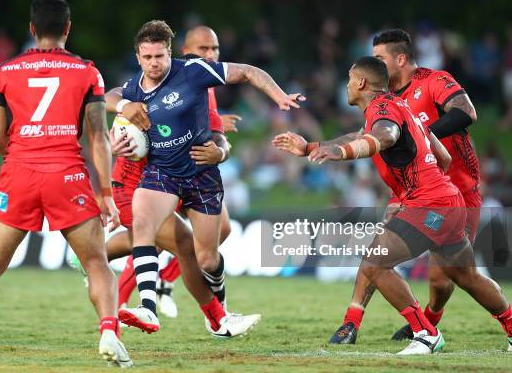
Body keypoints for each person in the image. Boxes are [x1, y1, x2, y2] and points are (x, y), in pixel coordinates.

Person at [0, 0, 132, 367]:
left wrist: (22, 156)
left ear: (32, 29)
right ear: (68, 28)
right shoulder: (88, 72)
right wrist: (105, 193)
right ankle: (108, 333)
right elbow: (98, 136)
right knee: (97, 262)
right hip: (67, 175)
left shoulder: (4, 71)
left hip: (18, 172)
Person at [273, 56, 512, 354]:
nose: (346, 86)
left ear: (360, 82)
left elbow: (385, 137)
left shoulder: (382, 110)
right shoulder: (402, 108)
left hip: (430, 203)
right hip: (447, 199)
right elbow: (443, 158)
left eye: (349, 80)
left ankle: (425, 333)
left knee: (375, 262)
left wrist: (342, 152)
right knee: (467, 276)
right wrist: (310, 147)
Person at [108, 19, 303, 335]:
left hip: (201, 176)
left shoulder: (194, 72)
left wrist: (278, 96)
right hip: (163, 174)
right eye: (147, 58)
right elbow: (109, 96)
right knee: (143, 224)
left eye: (159, 56)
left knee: (208, 258)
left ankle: (220, 311)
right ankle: (147, 307)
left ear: (171, 53)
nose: (154, 64)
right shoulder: (134, 89)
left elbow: (249, 72)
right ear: (138, 57)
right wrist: (125, 106)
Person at [328, 29, 482, 344]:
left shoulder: (434, 80)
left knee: (444, 278)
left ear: (400, 59)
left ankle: (428, 321)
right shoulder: (384, 98)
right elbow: (363, 136)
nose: (374, 62)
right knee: (376, 253)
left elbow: (466, 112)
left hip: (457, 192)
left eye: (380, 57)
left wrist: (417, 131)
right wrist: (318, 146)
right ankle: (351, 321)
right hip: (411, 192)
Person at [101, 25, 238, 317]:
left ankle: (107, 266)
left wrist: (221, 150)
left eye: (215, 49)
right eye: (204, 50)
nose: (211, 55)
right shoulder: (147, 82)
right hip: (139, 176)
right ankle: (118, 287)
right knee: (158, 237)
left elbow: (215, 132)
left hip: (186, 173)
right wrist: (115, 140)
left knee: (215, 233)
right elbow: (111, 103)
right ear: (185, 54)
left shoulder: (202, 83)